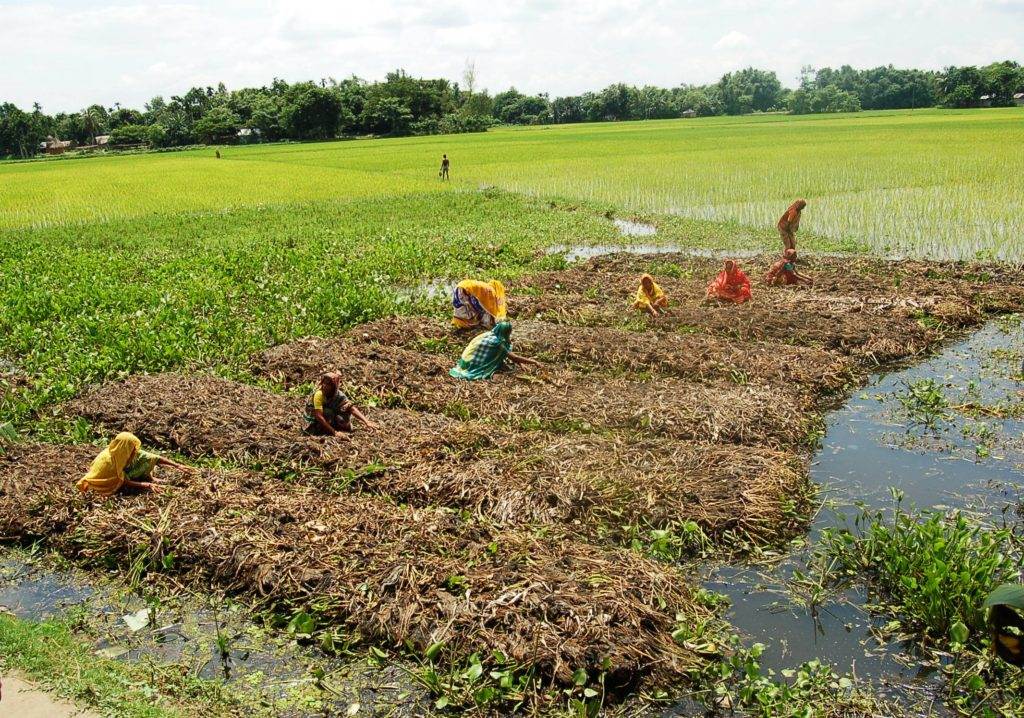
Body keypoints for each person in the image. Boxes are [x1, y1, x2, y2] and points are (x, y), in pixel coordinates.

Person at [76, 432, 193, 497]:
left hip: (122, 474)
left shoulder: (123, 452)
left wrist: (177, 465)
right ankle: (147, 480)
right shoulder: (108, 461)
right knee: (119, 485)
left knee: (145, 460)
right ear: (126, 448)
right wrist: (146, 485)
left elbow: (152, 457)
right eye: (132, 449)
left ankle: (150, 477)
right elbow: (122, 480)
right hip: (102, 483)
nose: (134, 451)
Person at [450, 321, 539, 381]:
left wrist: (521, 363)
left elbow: (509, 352)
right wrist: (534, 362)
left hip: (465, 359)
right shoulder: (497, 342)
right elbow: (514, 357)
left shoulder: (490, 334)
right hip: (472, 363)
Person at [304, 372, 378, 437]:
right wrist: (334, 433)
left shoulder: (339, 395)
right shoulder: (319, 394)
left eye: (328, 384)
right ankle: (324, 430)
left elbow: (351, 408)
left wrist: (366, 422)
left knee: (344, 412)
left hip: (331, 415)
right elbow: (318, 416)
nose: (325, 386)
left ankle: (336, 427)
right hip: (314, 419)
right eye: (324, 383)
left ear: (334, 386)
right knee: (328, 413)